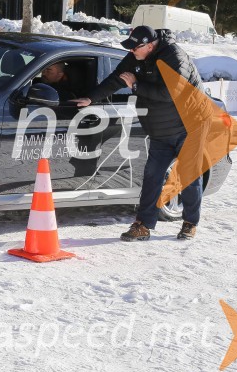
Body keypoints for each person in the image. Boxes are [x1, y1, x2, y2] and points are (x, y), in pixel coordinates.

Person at [71, 25, 210, 242]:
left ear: (149, 45)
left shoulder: (174, 56)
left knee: (188, 177)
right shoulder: (137, 56)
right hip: (160, 129)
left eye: (135, 48)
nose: (131, 52)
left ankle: (190, 223)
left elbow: (170, 93)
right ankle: (143, 225)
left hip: (191, 125)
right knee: (152, 175)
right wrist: (91, 98)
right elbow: (117, 78)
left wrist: (136, 86)